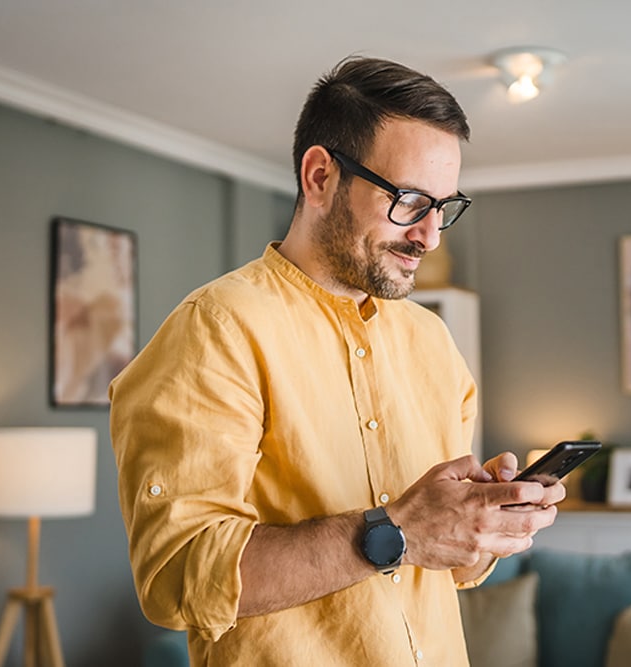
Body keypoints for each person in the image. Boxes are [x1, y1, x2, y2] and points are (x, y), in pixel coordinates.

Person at [109, 55, 565, 666]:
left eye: (444, 207)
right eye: (408, 200)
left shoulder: (433, 343)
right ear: (320, 176)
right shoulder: (215, 330)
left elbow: (446, 569)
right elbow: (176, 577)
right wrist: (398, 534)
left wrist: (480, 528)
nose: (430, 236)